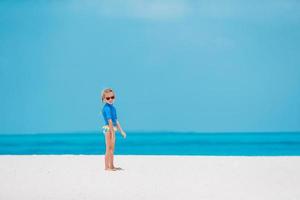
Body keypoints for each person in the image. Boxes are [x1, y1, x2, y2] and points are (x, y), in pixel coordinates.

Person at [101, 88, 126, 171]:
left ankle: (111, 165)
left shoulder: (113, 108)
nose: (110, 99)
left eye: (112, 97)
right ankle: (106, 167)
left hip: (113, 128)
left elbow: (116, 120)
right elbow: (110, 121)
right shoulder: (106, 108)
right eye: (108, 98)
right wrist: (112, 132)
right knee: (108, 148)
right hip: (108, 129)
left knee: (112, 149)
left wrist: (121, 131)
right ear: (104, 99)